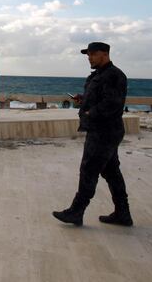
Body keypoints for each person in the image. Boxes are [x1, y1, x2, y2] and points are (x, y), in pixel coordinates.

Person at [53, 42, 133, 227]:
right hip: (102, 130)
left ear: (104, 54)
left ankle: (76, 211)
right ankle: (123, 213)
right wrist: (83, 99)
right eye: (88, 54)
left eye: (92, 54)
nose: (89, 57)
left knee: (89, 170)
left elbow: (112, 104)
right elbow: (101, 97)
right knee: (111, 172)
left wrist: (90, 113)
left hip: (104, 131)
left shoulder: (114, 75)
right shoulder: (99, 75)